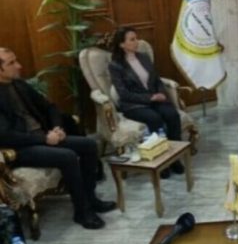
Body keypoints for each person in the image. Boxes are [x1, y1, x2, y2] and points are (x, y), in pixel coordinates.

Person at [0, 48, 116, 229]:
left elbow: (50, 107)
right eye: (11, 63)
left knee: (89, 144)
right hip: (20, 148)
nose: (19, 66)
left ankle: (91, 199)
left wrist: (57, 127)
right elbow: (6, 135)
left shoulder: (19, 84)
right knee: (67, 156)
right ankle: (82, 212)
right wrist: (44, 138)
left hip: (44, 137)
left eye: (16, 60)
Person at [109, 27, 184, 178]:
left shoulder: (143, 57)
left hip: (154, 99)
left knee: (172, 115)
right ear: (122, 44)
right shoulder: (115, 65)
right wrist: (150, 98)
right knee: (154, 119)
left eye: (136, 38)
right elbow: (124, 94)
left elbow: (156, 80)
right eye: (132, 39)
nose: (137, 42)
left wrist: (161, 93)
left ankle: (174, 158)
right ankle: (160, 162)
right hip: (133, 104)